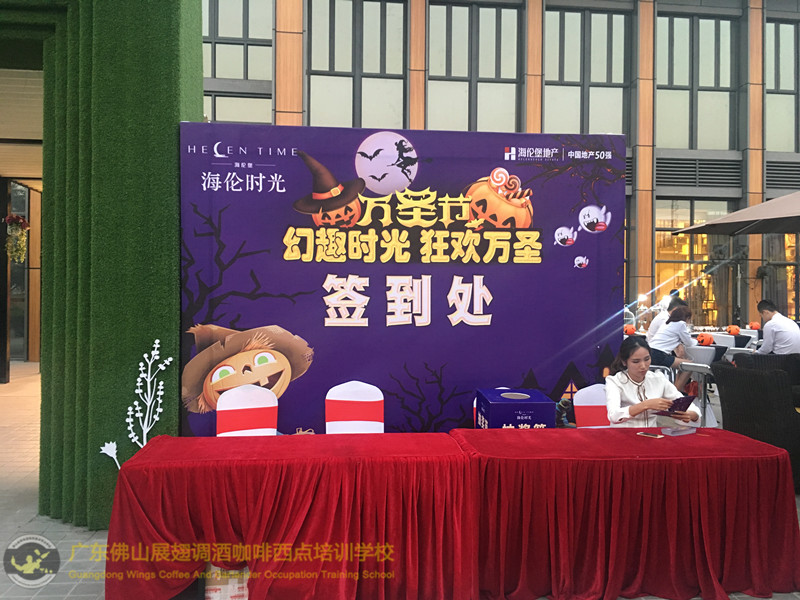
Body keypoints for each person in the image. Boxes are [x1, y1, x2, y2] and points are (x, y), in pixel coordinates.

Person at [606, 336, 700, 427]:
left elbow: (686, 404)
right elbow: (614, 415)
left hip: (652, 434)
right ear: (624, 362)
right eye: (636, 361)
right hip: (623, 435)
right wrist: (645, 405)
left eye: (647, 359)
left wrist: (692, 415)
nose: (643, 366)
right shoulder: (615, 381)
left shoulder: (658, 379)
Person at [648, 305, 696, 391]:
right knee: (690, 366)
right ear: (687, 318)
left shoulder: (667, 323)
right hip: (659, 354)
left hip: (650, 352)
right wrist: (697, 341)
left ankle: (675, 390)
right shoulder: (681, 324)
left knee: (682, 364)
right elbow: (689, 343)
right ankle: (675, 393)